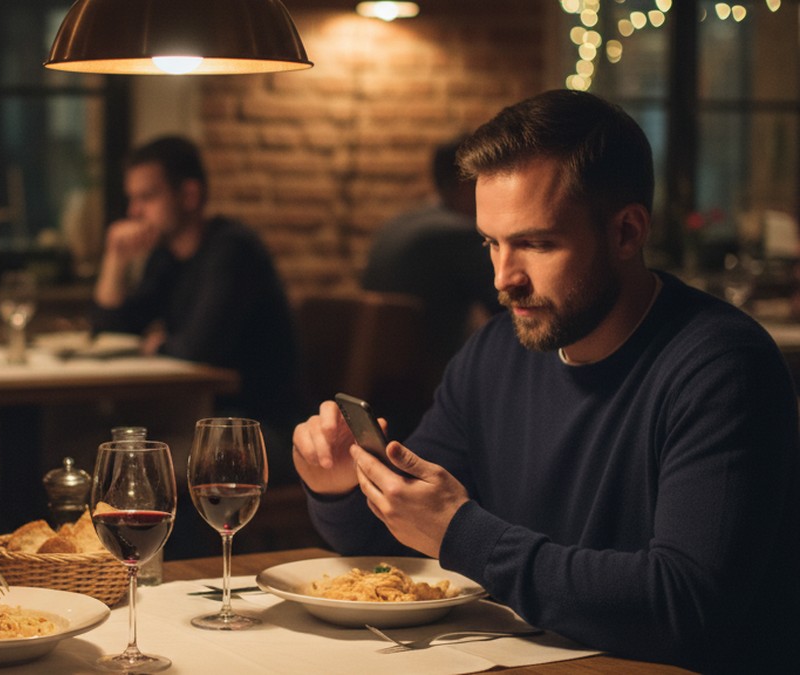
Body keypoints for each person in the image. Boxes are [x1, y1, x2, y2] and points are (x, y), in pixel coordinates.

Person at [292, 90, 798, 673]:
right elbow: (398, 543)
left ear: (627, 232)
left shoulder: (721, 366)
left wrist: (464, 534)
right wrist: (338, 487)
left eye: (535, 243)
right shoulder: (493, 354)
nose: (504, 278)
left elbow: (684, 605)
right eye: (490, 243)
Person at [91, 135, 301, 473]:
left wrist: (160, 346)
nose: (134, 212)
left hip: (256, 430)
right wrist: (115, 259)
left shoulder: (232, 250)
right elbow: (108, 330)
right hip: (203, 419)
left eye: (147, 197)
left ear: (189, 195)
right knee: (107, 447)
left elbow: (198, 349)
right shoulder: (167, 258)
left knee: (132, 464)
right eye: (132, 199)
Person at [361, 137, 500, 364]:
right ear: (466, 183)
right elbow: (508, 307)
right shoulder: (458, 233)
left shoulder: (396, 224)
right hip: (430, 375)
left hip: (374, 367)